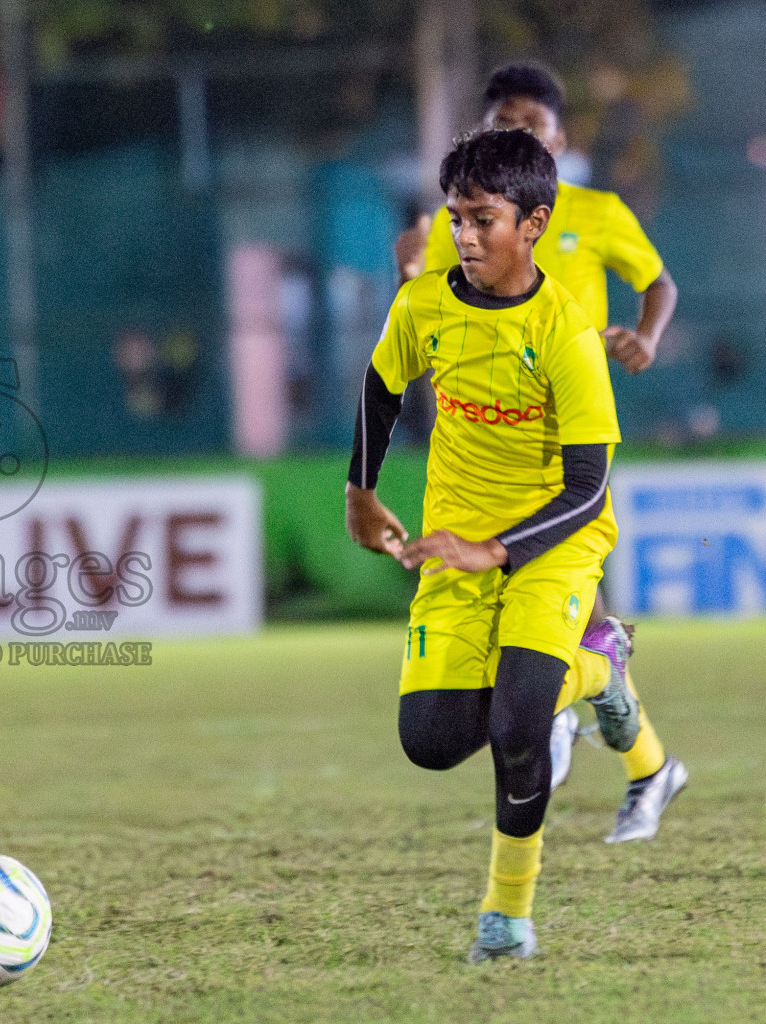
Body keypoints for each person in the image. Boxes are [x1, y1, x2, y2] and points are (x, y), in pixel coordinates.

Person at [346, 129, 686, 961]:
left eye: (482, 221)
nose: (463, 237)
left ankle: (505, 918)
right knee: (429, 743)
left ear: (532, 224)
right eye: (457, 218)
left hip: (551, 546)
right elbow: (382, 386)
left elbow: (586, 489)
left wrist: (495, 550)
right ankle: (600, 676)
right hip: (455, 540)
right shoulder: (423, 304)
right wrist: (359, 490)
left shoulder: (565, 332)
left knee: (519, 721)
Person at [394, 62, 681, 841]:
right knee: (562, 652)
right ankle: (648, 767)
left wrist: (645, 337)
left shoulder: (591, 211)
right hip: (486, 448)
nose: (511, 135)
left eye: (526, 124)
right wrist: (404, 271)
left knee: (553, 649)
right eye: (498, 125)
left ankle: (632, 760)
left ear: (559, 137)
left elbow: (658, 283)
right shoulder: (469, 216)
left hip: (565, 451)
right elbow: (424, 313)